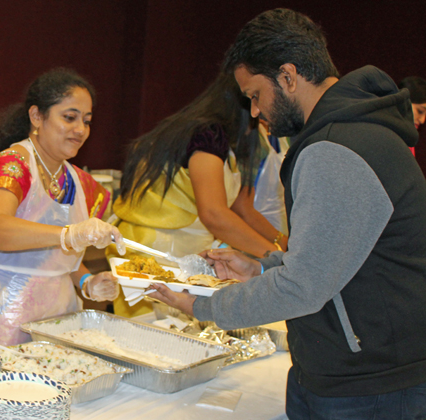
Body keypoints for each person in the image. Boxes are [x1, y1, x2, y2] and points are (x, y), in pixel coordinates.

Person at [150, 8, 426, 419]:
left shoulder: (337, 146)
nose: (256, 111)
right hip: (344, 369)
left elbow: (303, 286)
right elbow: (336, 255)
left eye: (255, 95)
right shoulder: (351, 134)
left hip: (368, 384)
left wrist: (202, 306)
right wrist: (262, 269)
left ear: (288, 76)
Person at [0, 68, 126, 346]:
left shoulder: (78, 181)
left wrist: (86, 280)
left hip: (56, 313)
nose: (80, 130)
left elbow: (51, 258)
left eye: (86, 121)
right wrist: (68, 234)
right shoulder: (12, 166)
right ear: (37, 116)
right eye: (69, 117)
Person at [109, 72, 287, 317]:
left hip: (186, 255)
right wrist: (275, 259)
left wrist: (281, 245)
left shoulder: (233, 147)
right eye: (254, 99)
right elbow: (214, 213)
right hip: (156, 249)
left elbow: (242, 210)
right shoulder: (208, 134)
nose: (260, 112)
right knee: (152, 333)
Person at [398, 76, 426, 156]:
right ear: (403, 103)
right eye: (420, 111)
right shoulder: (387, 135)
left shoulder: (408, 138)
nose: (422, 120)